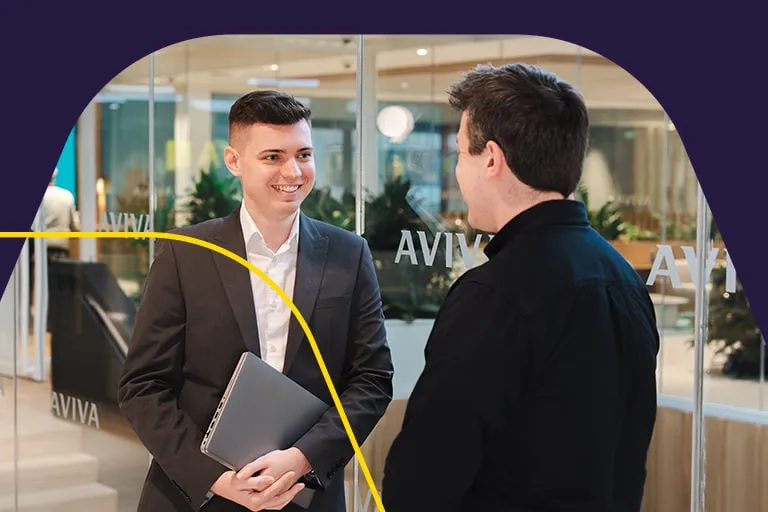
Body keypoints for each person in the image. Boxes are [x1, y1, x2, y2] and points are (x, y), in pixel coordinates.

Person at [382, 64, 660, 512]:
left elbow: (427, 473)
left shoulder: (493, 294)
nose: (457, 172)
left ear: (491, 158)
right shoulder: (624, 281)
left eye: (460, 154)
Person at [118, 90, 394, 512]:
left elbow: (372, 380)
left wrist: (302, 459)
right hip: (197, 495)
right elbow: (143, 386)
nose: (293, 171)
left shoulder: (348, 254)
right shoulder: (185, 252)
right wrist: (214, 477)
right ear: (234, 161)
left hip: (304, 493)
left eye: (304, 154)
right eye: (272, 157)